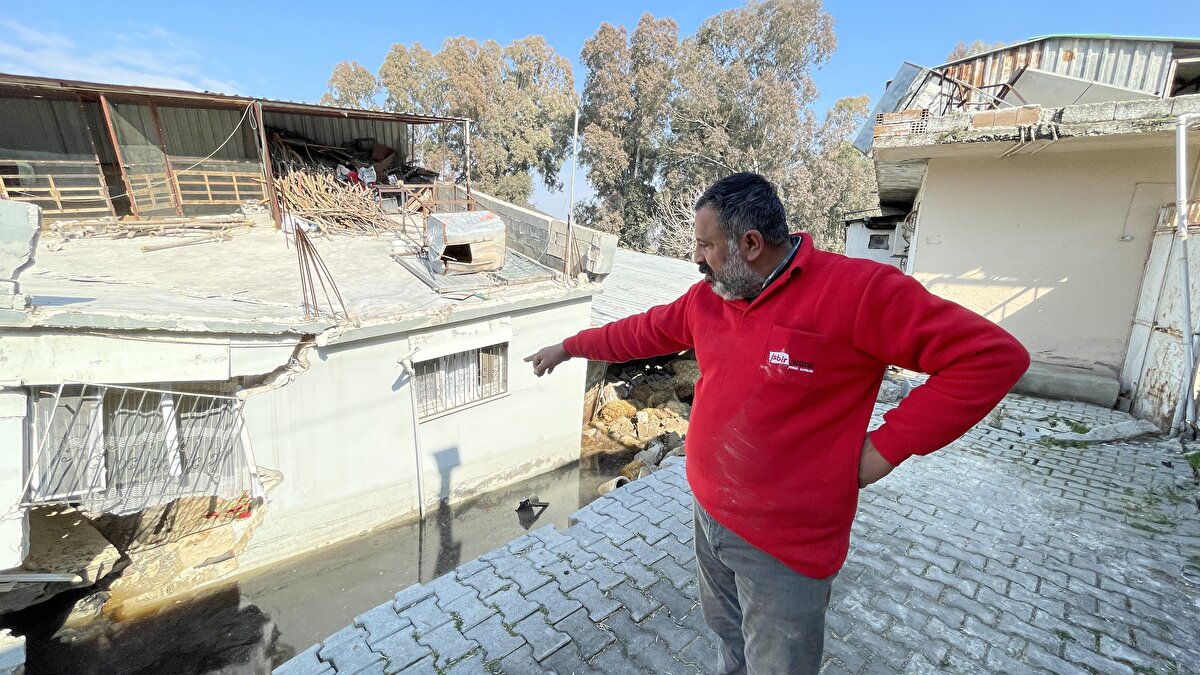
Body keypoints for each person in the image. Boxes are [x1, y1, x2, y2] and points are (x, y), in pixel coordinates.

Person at [525, 172, 1030, 674]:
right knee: (729, 642)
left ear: (750, 243)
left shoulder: (858, 292)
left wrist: (884, 450)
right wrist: (569, 346)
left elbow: (991, 358)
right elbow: (641, 332)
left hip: (785, 548)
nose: (695, 258)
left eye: (705, 245)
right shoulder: (710, 299)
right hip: (710, 518)